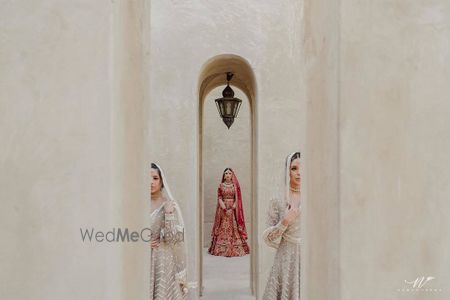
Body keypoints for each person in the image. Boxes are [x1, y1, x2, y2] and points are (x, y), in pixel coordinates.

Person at [263, 152, 302, 299]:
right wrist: (285, 221)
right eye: (294, 168)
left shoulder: (313, 197)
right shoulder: (278, 200)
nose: (299, 173)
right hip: (285, 258)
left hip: (309, 258)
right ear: (288, 171)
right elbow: (269, 238)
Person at [149, 163, 188, 300]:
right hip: (141, 259)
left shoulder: (169, 205)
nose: (151, 182)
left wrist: (169, 213)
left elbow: (172, 239)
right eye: (147, 178)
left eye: (155, 178)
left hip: (162, 260)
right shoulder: (136, 204)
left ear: (161, 181)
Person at [208, 168, 250, 257]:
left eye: (229, 173)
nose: (227, 174)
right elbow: (219, 197)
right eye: (226, 173)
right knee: (223, 226)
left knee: (233, 227)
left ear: (232, 175)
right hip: (223, 209)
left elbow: (237, 199)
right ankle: (222, 248)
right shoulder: (221, 186)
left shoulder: (235, 186)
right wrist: (224, 208)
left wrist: (233, 207)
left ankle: (234, 247)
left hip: (233, 210)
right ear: (224, 175)